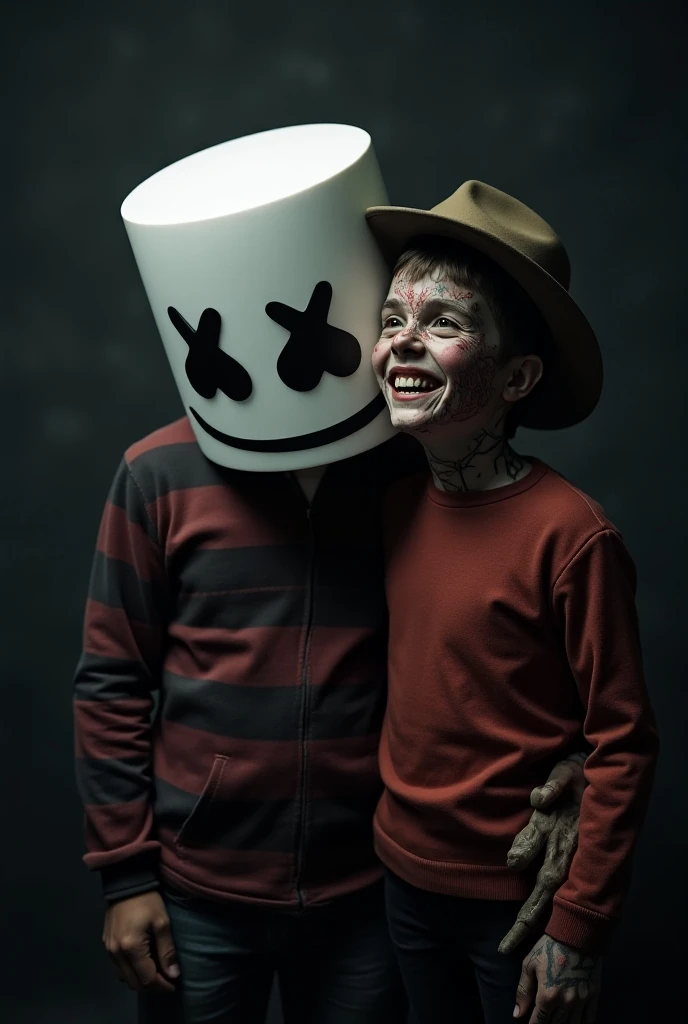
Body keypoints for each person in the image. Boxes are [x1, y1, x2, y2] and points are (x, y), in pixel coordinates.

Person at [73, 129, 588, 1024]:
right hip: (198, 890)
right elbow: (112, 682)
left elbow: (513, 636)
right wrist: (126, 876)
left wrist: (575, 761)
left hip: (371, 892)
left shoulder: (413, 473)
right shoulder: (153, 475)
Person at [366, 180, 660, 1024]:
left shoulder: (572, 536)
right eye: (391, 321)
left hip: (520, 900)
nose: (403, 344)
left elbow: (623, 740)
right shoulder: (390, 503)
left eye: (444, 323)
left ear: (519, 375)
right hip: (401, 879)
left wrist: (581, 925)